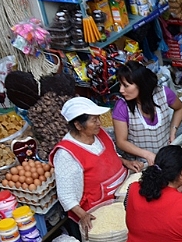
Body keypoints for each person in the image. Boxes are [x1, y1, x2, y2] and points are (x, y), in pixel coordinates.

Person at [51, 97, 143, 233]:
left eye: (98, 118)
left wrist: (126, 162)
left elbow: (111, 154)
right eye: (94, 120)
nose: (99, 123)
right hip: (98, 210)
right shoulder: (66, 155)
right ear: (78, 125)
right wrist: (83, 215)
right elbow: (66, 196)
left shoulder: (99, 134)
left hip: (122, 197)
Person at [113, 61, 182, 166]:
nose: (121, 90)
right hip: (139, 164)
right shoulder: (122, 107)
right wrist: (146, 154)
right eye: (120, 84)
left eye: (126, 85)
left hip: (165, 157)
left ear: (141, 84)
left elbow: (180, 108)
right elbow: (121, 142)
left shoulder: (163, 93)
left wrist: (173, 131)